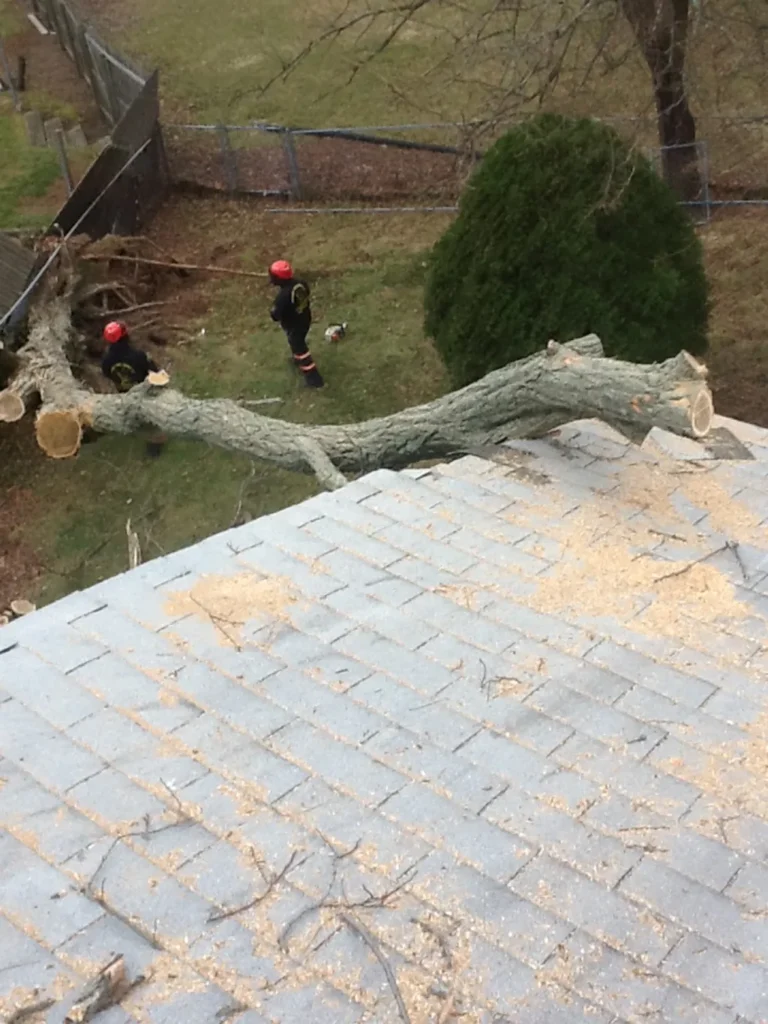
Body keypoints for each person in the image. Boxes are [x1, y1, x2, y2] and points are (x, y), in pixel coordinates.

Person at [101, 320, 166, 456]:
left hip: (125, 392)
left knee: (138, 414)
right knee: (151, 415)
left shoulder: (106, 360)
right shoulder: (138, 355)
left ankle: (144, 434)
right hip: (144, 391)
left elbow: (107, 374)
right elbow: (154, 371)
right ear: (125, 336)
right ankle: (155, 444)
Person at [269, 260, 324, 388]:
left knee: (300, 348)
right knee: (296, 342)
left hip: (294, 325)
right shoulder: (300, 283)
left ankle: (314, 380)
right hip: (305, 318)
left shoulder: (283, 297)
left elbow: (275, 315)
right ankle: (297, 358)